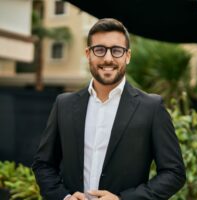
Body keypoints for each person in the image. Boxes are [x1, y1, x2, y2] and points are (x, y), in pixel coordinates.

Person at [32, 18, 186, 200]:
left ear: (127, 56)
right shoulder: (63, 104)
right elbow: (43, 164)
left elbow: (174, 172)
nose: (108, 58)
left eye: (116, 50)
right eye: (100, 49)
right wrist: (64, 197)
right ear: (88, 54)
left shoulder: (151, 108)